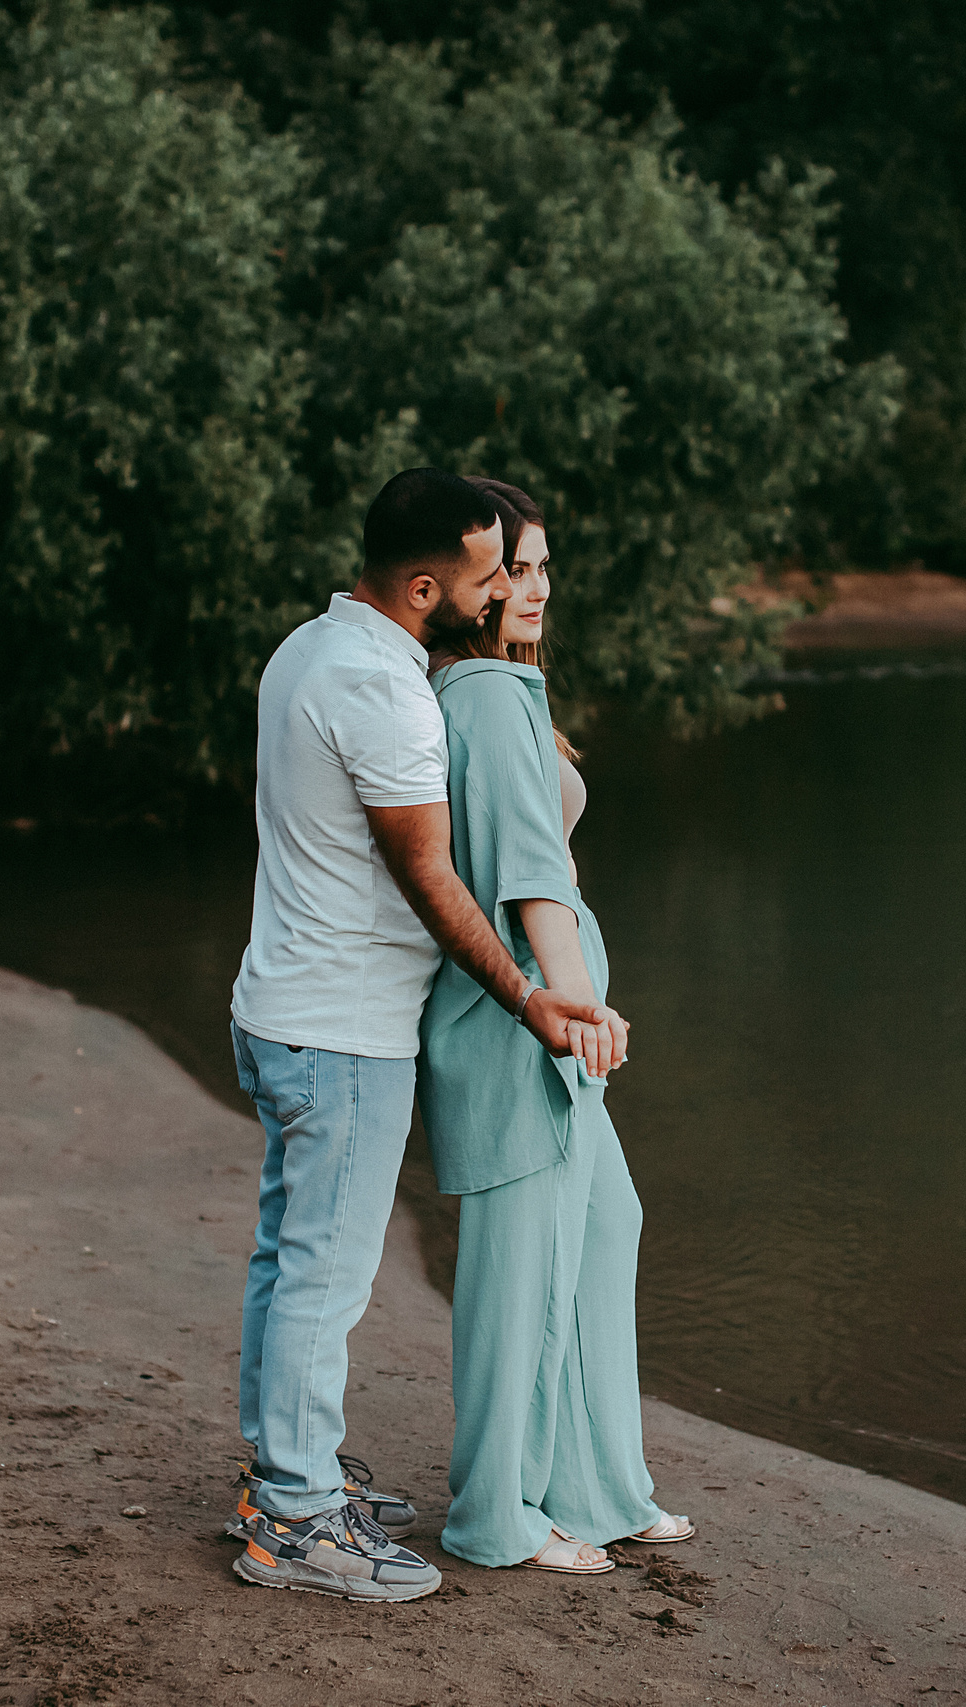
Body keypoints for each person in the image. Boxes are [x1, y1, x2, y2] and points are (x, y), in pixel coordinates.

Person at [223, 467, 629, 1603]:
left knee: (284, 1255)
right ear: (421, 585)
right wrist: (531, 998)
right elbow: (432, 881)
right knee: (323, 1274)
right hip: (341, 1030)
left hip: (283, 1007)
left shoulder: (312, 646)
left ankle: (282, 1478)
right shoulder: (387, 693)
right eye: (487, 572)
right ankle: (297, 1520)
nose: (503, 588)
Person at [418, 476, 693, 1573]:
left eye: (538, 572)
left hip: (544, 1032)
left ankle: (596, 1488)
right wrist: (576, 1004)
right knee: (518, 1278)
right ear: (470, 589)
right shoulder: (481, 696)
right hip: (515, 1029)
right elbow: (532, 884)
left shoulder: (503, 695)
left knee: (601, 1230)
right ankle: (497, 1513)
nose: (530, 590)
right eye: (509, 572)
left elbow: (547, 869)